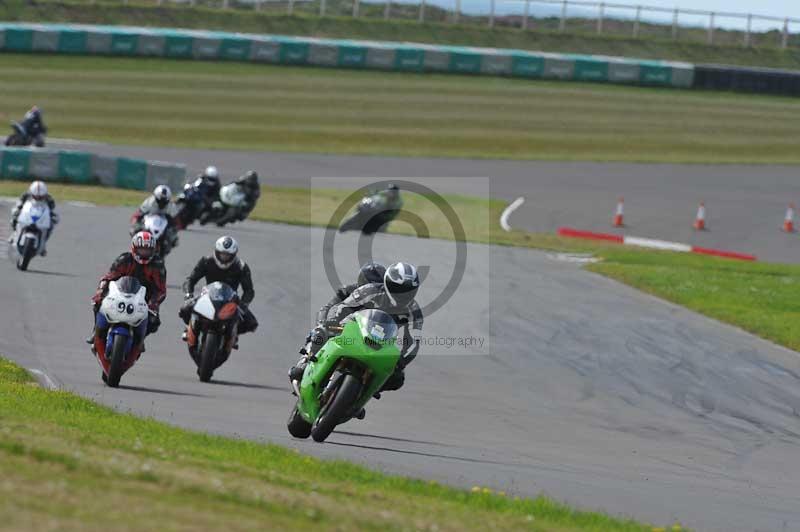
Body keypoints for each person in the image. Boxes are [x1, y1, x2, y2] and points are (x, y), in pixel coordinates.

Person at [290, 262, 423, 398]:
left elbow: (413, 341)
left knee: (397, 378)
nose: (403, 294)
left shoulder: (414, 311)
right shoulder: (370, 290)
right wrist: (333, 323)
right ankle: (305, 362)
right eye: (398, 288)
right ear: (387, 283)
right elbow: (343, 307)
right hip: (352, 329)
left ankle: (366, 392)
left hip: (382, 343)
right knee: (321, 332)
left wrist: (401, 361)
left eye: (408, 290)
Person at [86, 231, 166, 347]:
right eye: (141, 249)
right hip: (119, 292)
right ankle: (96, 331)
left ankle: (140, 340)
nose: (144, 253)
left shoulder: (158, 265)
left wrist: (153, 304)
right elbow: (109, 277)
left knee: (154, 322)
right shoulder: (124, 259)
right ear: (134, 248)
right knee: (97, 303)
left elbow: (161, 290)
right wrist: (101, 292)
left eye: (147, 250)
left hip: (144, 299)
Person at [179, 236, 258, 347]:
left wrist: (244, 305)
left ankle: (233, 334)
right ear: (216, 251)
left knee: (251, 323)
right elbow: (191, 280)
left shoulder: (241, 267)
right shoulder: (206, 261)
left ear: (234, 255)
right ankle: (190, 327)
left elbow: (249, 290)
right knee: (184, 309)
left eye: (227, 255)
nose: (224, 257)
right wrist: (188, 294)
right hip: (207, 295)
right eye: (222, 254)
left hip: (231, 299)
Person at [8, 180, 59, 256]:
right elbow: (19, 204)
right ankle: (14, 233)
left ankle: (43, 243)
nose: (38, 198)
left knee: (51, 226)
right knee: (14, 218)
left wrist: (53, 216)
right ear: (31, 192)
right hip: (27, 213)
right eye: (36, 196)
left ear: (45, 194)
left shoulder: (49, 199)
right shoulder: (25, 195)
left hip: (41, 215)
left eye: (41, 197)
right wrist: (17, 209)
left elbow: (52, 209)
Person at [130, 185, 179, 250]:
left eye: (164, 202)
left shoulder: (171, 205)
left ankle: (166, 247)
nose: (162, 203)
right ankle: (135, 247)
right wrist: (136, 220)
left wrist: (174, 225)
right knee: (134, 230)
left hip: (164, 224)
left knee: (174, 238)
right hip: (149, 221)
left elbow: (176, 219)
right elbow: (139, 212)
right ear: (155, 197)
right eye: (160, 201)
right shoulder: (149, 201)